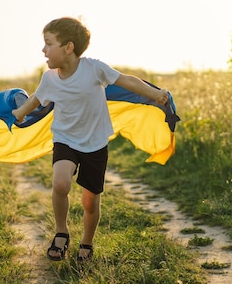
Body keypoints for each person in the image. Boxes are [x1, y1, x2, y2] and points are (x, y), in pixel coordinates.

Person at [12, 17, 170, 262]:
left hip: (95, 142)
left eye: (48, 43)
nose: (43, 50)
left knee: (90, 201)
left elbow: (127, 80)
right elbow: (36, 98)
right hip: (65, 138)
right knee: (60, 183)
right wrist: (20, 113)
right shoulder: (50, 78)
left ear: (68, 47)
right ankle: (61, 232)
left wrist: (156, 94)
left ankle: (87, 242)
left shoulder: (94, 69)